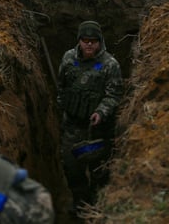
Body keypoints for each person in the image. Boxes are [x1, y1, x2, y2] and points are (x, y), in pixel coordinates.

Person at [57, 20, 123, 215]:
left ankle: (96, 206)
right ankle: (80, 202)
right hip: (72, 127)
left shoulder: (110, 65)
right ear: (79, 41)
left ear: (100, 41)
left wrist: (101, 112)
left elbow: (114, 95)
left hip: (97, 130)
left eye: (93, 41)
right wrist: (62, 106)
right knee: (72, 168)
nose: (89, 45)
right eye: (85, 40)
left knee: (99, 171)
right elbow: (62, 85)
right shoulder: (68, 58)